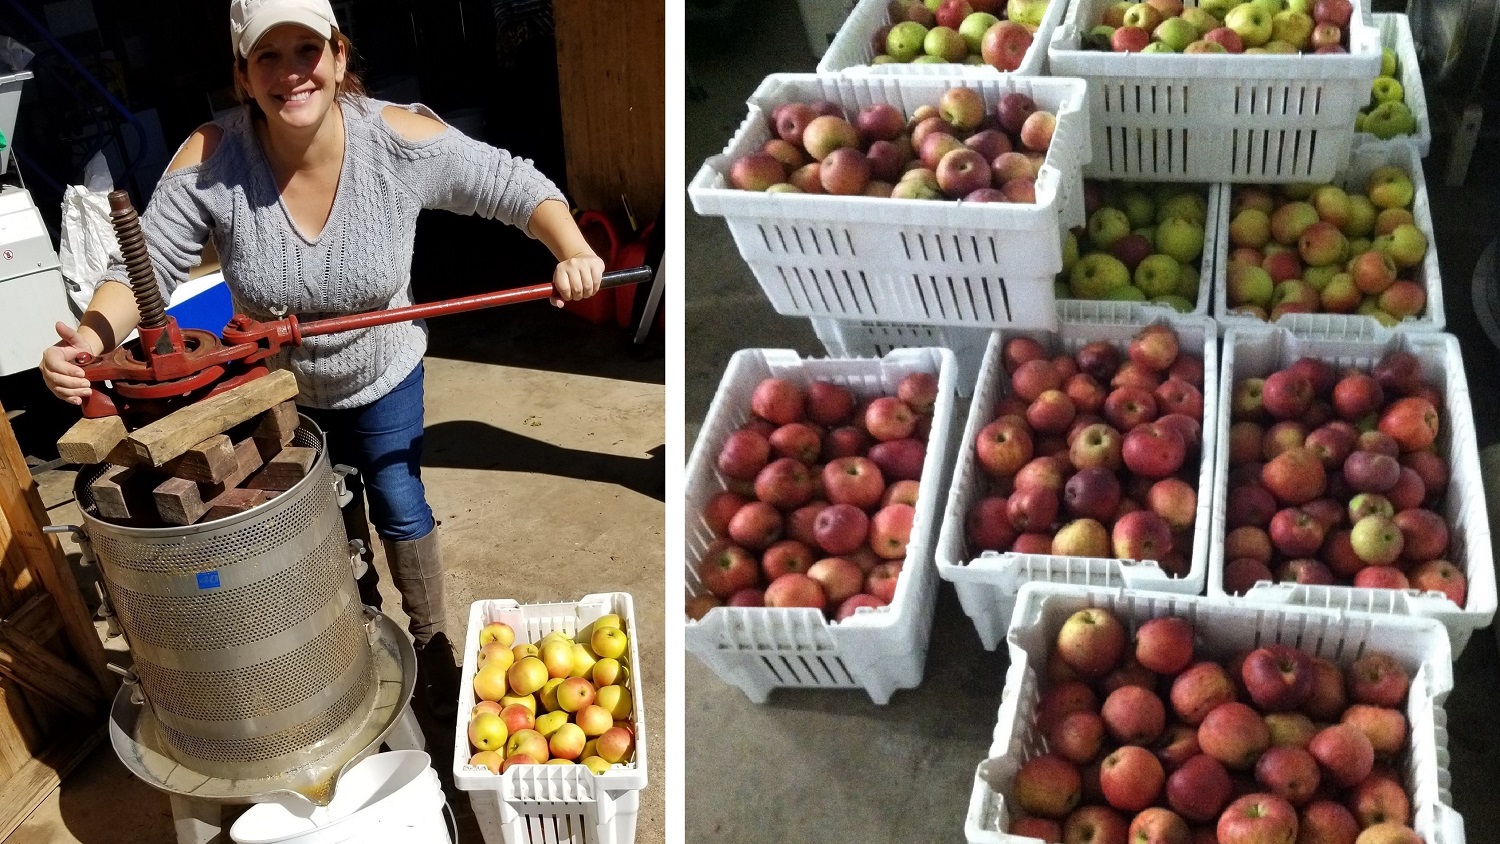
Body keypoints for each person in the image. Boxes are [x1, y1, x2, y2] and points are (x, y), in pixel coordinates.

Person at [38, 0, 605, 719]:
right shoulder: (213, 158)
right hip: (280, 392)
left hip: (383, 371)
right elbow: (146, 261)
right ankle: (359, 637)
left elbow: (513, 185)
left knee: (399, 503)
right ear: (243, 75)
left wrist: (573, 251)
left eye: (306, 50)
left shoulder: (397, 141)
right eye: (267, 58)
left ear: (339, 57)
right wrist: (90, 340)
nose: (291, 74)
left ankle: (432, 650)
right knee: (320, 525)